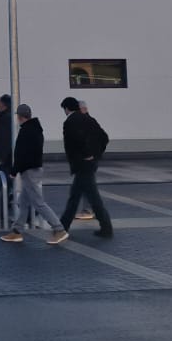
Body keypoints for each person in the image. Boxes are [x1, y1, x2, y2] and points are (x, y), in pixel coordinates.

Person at [0, 104, 68, 245]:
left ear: (20, 116)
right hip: (33, 169)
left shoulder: (26, 131)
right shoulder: (35, 129)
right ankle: (17, 231)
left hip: (29, 170)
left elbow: (22, 154)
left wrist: (14, 171)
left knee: (38, 203)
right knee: (23, 202)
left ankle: (59, 229)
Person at [58, 96, 113, 237]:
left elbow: (76, 142)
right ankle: (63, 227)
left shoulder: (70, 122)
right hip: (89, 164)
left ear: (66, 108)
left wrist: (87, 154)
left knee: (89, 199)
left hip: (82, 165)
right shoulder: (88, 119)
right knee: (77, 197)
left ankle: (63, 228)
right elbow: (104, 138)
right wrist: (95, 155)